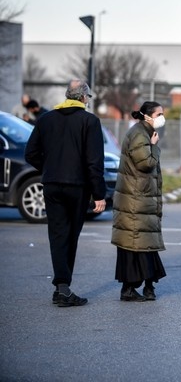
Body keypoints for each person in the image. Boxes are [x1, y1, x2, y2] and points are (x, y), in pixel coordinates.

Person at [25, 79, 106, 307]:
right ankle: (63, 288)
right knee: (70, 236)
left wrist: (49, 168)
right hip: (76, 187)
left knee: (58, 234)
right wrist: (98, 194)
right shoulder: (89, 121)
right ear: (82, 97)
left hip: (51, 185)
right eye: (88, 97)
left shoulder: (45, 119)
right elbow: (94, 162)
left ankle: (62, 287)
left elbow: (30, 153)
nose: (88, 101)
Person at [111, 101, 167, 302]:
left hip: (140, 199)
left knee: (144, 245)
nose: (162, 117)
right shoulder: (139, 135)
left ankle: (146, 287)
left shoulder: (144, 132)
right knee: (137, 246)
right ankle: (130, 289)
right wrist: (154, 147)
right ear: (147, 116)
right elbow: (146, 164)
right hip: (135, 201)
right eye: (159, 114)